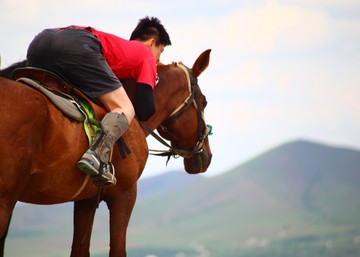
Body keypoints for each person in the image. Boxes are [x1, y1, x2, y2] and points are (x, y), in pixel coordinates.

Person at [26, 17, 171, 186]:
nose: (158, 61)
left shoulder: (119, 49)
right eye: (160, 52)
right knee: (124, 107)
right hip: (77, 44)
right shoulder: (145, 54)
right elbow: (145, 109)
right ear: (151, 42)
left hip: (40, 42)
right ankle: (96, 156)